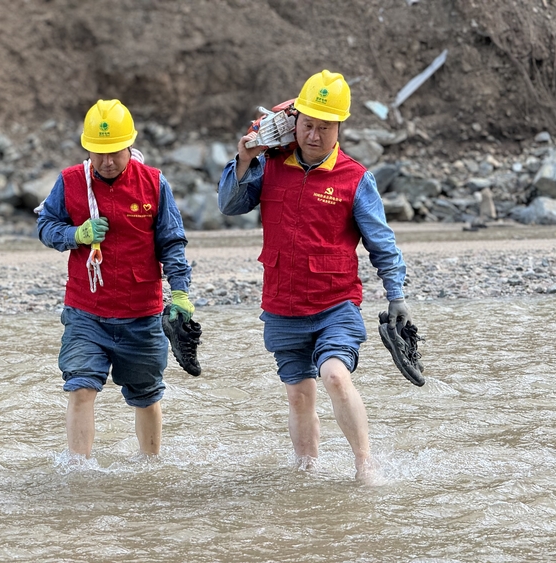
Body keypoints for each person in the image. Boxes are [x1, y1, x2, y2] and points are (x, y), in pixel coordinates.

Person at [217, 70, 410, 481]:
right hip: (282, 305)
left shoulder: (356, 178)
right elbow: (231, 206)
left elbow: (382, 243)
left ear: (339, 127)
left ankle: (365, 465)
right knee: (299, 397)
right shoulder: (269, 166)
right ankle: (307, 474)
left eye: (325, 127)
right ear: (294, 121)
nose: (314, 135)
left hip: (334, 304)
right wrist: (246, 156)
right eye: (307, 125)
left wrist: (397, 296)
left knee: (335, 376)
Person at [37, 99, 195, 458]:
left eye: (114, 153)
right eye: (98, 153)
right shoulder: (69, 182)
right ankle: (79, 470)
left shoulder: (154, 183)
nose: (106, 162)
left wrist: (181, 293)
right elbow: (45, 227)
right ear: (88, 149)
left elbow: (172, 242)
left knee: (147, 394)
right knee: (80, 387)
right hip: (85, 312)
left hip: (141, 314)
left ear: (130, 146)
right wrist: (75, 234)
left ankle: (150, 466)